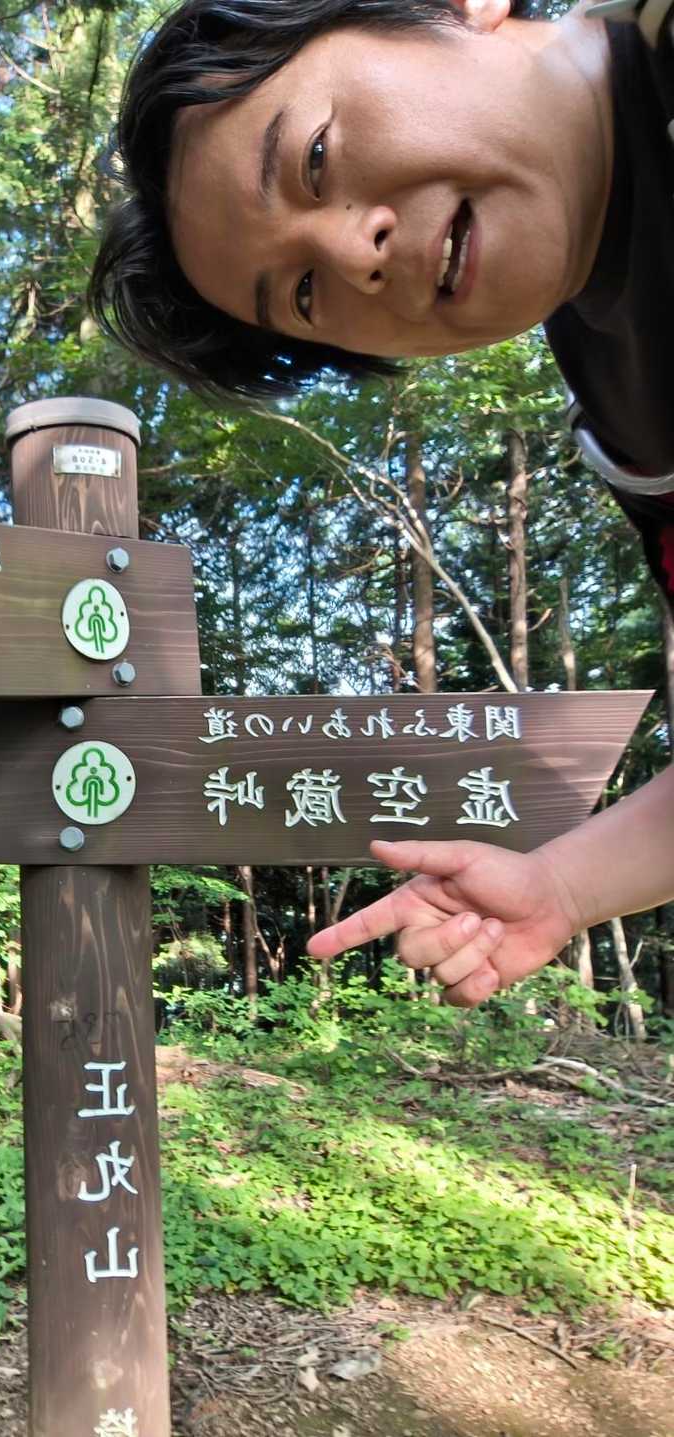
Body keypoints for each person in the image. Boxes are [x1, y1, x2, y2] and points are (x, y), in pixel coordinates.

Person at [89, 0, 674, 1006]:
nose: (354, 253)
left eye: (314, 159)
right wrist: (563, 886)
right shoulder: (624, 412)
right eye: (304, 294)